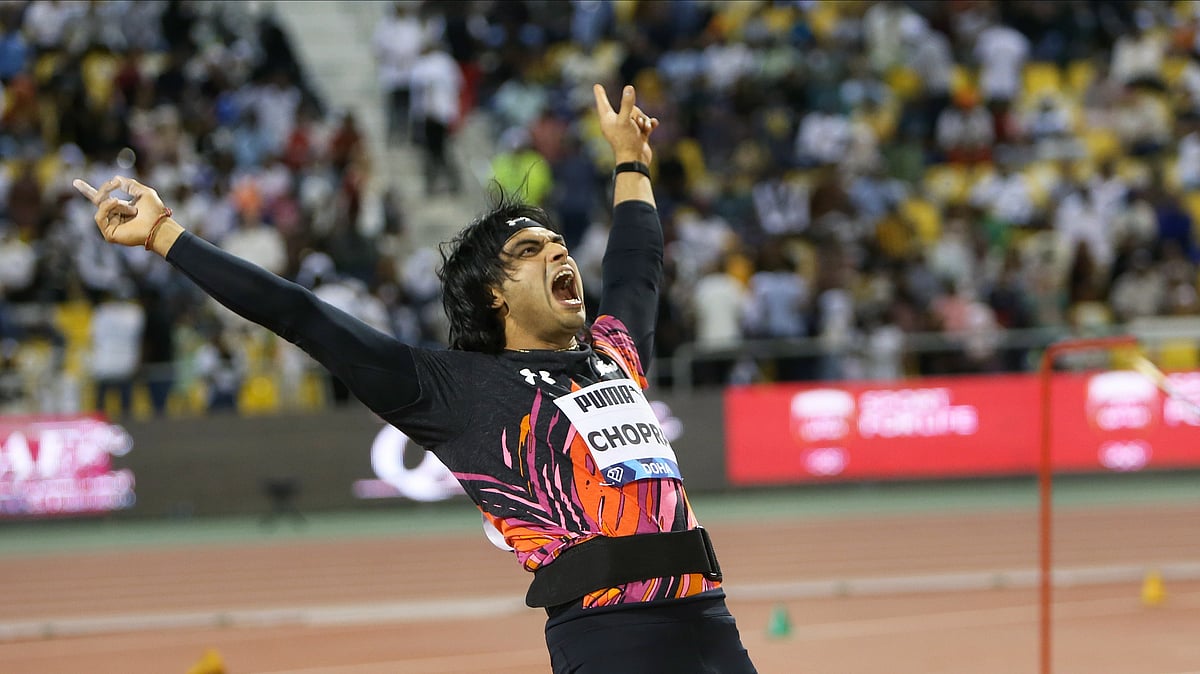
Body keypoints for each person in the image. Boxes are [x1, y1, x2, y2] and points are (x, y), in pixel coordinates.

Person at [74, 83, 756, 674]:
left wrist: (631, 160)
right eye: (530, 253)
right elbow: (302, 316)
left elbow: (637, 269)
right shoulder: (456, 391)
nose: (559, 256)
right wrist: (166, 235)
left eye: (560, 248)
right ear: (493, 295)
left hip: (712, 621)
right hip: (614, 641)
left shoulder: (613, 355)